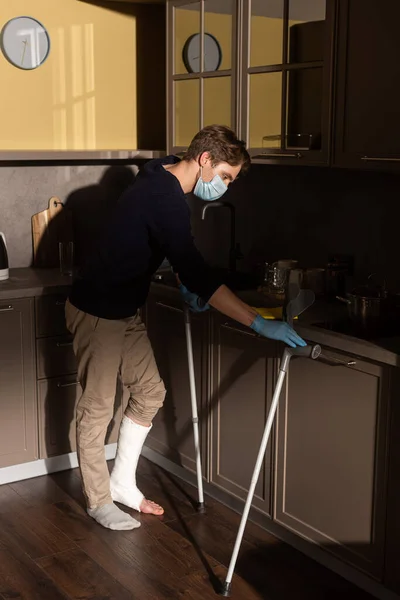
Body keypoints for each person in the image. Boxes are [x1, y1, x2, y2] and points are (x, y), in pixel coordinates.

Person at [65, 124, 306, 531]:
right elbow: (195, 268)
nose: (225, 187)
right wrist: (258, 322)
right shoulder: (166, 199)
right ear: (205, 160)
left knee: (149, 391)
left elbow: (171, 250)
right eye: (226, 176)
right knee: (96, 409)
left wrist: (185, 282)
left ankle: (122, 482)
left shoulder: (158, 170)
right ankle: (99, 500)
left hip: (124, 308)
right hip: (97, 310)